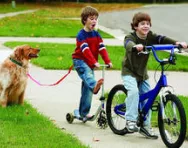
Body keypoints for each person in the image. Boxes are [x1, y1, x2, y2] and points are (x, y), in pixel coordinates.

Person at [122, 12, 187, 139]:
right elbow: (128, 43)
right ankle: (130, 120)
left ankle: (145, 127)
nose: (145, 26)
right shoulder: (131, 36)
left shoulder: (150, 36)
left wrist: (177, 43)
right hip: (129, 71)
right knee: (134, 92)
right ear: (135, 26)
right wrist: (135, 46)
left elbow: (161, 38)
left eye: (147, 24)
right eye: (142, 24)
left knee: (148, 98)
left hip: (142, 73)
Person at [72, 6, 112, 121]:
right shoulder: (81, 35)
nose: (94, 21)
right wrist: (94, 62)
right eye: (91, 18)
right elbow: (86, 51)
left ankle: (83, 113)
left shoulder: (97, 35)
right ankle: (95, 86)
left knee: (87, 89)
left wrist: (107, 61)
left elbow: (102, 49)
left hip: (90, 63)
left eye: (95, 19)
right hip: (80, 61)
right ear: (85, 20)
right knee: (89, 78)